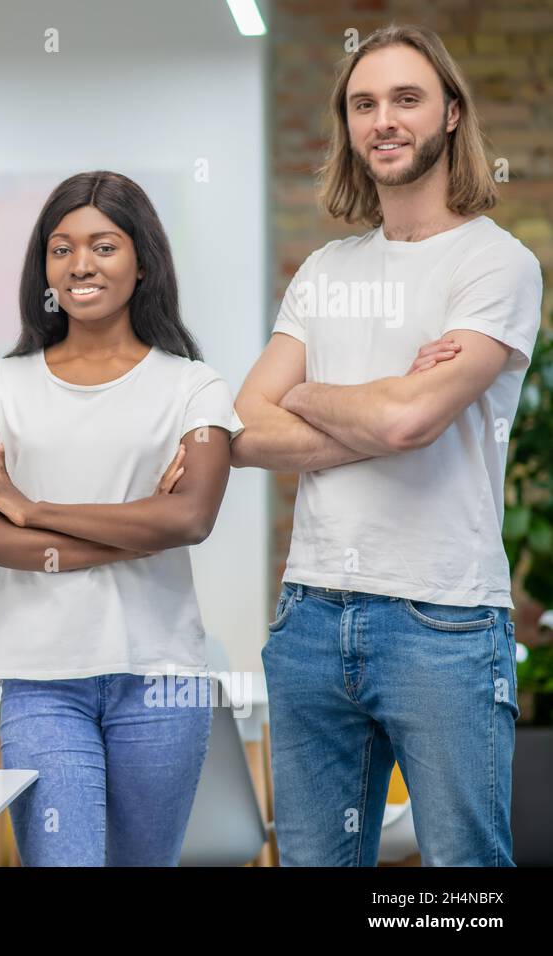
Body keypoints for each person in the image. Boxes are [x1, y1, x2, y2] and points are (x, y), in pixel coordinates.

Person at [231, 26, 542, 866]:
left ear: (449, 115)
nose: (384, 119)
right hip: (308, 613)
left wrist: (305, 395)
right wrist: (380, 407)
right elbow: (243, 428)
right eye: (364, 103)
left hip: (440, 620)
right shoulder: (326, 270)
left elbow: (406, 422)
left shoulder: (496, 265)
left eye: (406, 98)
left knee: (462, 880)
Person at [0, 171, 240, 866]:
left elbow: (193, 517)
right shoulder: (0, 385)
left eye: (104, 246)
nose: (80, 264)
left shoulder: (191, 384)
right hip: (41, 679)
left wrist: (34, 510)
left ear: (142, 261)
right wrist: (141, 524)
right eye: (61, 248)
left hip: (162, 677)